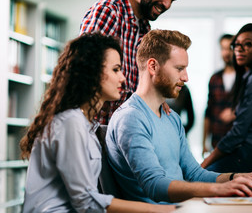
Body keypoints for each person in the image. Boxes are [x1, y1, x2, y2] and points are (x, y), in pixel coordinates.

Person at [106, 29, 252, 204]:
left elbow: (195, 174)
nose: (185, 77)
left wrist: (238, 177)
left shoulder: (171, 118)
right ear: (153, 66)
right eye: (179, 68)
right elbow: (154, 185)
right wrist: (220, 189)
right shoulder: (131, 118)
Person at [19, 32, 175, 213]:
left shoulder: (88, 126)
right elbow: (86, 202)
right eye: (116, 70)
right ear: (91, 72)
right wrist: (159, 210)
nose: (123, 78)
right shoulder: (71, 122)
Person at [79, 0, 187, 124]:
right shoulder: (109, 12)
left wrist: (156, 96)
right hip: (96, 126)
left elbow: (137, 85)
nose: (167, 5)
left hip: (124, 128)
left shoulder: (145, 29)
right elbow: (84, 72)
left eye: (172, 0)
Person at [201, 23, 252, 173]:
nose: (239, 49)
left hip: (250, 157)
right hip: (247, 155)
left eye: (248, 44)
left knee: (197, 179)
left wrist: (204, 164)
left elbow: (238, 132)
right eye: (236, 45)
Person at [202, 34, 236, 155]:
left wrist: (235, 113)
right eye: (223, 48)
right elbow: (208, 111)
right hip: (216, 142)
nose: (226, 53)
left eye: (230, 48)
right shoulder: (215, 78)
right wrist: (204, 143)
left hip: (238, 144)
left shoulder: (246, 79)